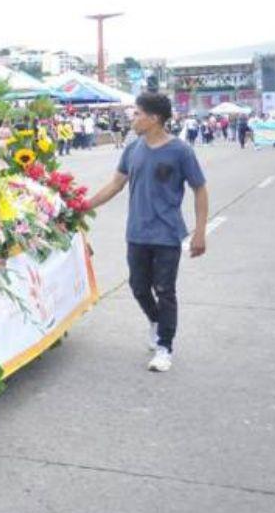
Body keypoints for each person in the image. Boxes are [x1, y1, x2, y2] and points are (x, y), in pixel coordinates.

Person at [87, 92, 208, 373]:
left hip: (167, 234)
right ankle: (156, 320)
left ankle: (165, 347)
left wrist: (199, 232)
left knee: (165, 290)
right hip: (137, 232)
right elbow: (115, 185)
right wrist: (82, 206)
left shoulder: (180, 151)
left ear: (154, 119)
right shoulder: (133, 149)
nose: (133, 118)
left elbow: (200, 189)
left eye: (138, 113)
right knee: (139, 287)